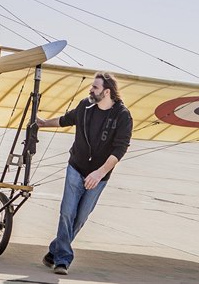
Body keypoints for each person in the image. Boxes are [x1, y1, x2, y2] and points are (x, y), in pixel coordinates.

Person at [36, 71, 133, 275]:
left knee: (80, 218)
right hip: (76, 167)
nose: (91, 89)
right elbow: (66, 120)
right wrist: (44, 123)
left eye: (95, 87)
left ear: (106, 92)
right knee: (67, 213)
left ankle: (54, 251)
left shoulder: (122, 116)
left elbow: (120, 148)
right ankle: (62, 260)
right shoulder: (85, 106)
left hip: (100, 175)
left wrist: (99, 173)